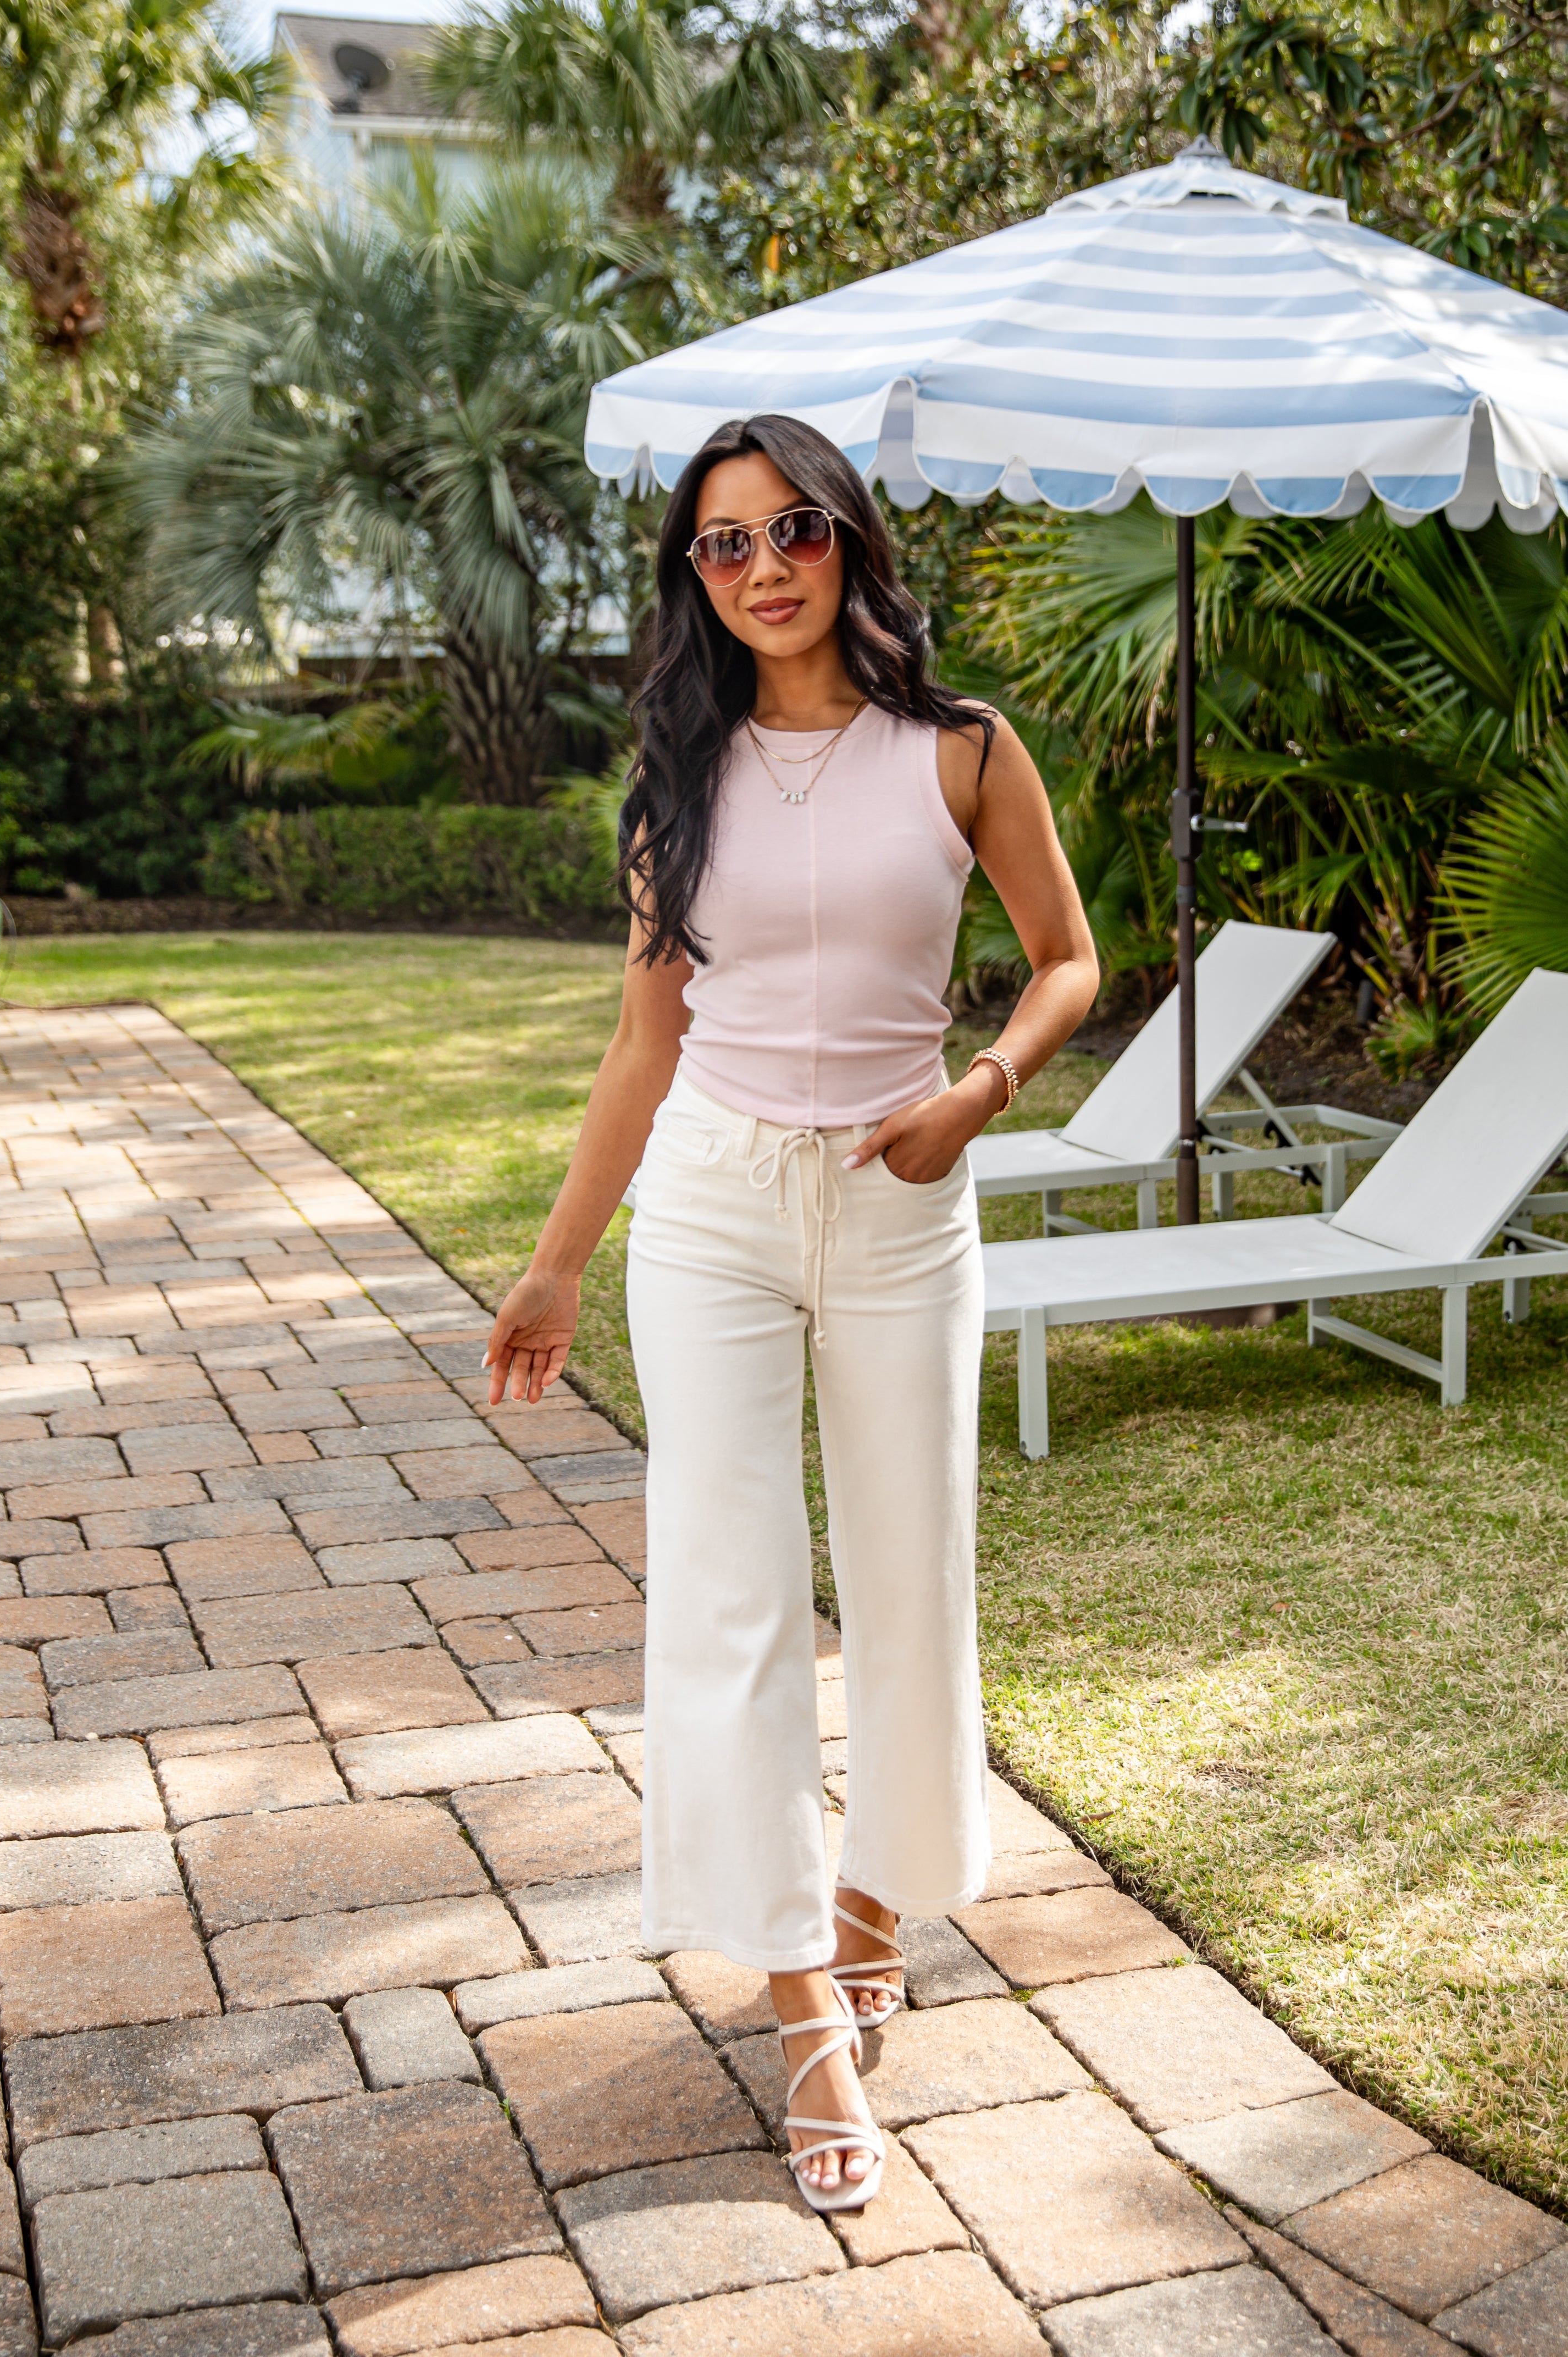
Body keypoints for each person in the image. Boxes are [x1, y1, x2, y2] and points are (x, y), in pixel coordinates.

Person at [484, 413, 1098, 2210]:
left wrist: (978, 1091)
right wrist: (555, 1255)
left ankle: (867, 1889)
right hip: (713, 1211)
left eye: (792, 532)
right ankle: (800, 2002)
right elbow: (642, 1040)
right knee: (731, 1598)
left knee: (908, 1582)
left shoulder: (965, 752)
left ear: (848, 542)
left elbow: (1068, 961)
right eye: (722, 545)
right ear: (695, 576)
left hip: (907, 1208)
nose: (761, 570)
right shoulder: (681, 774)